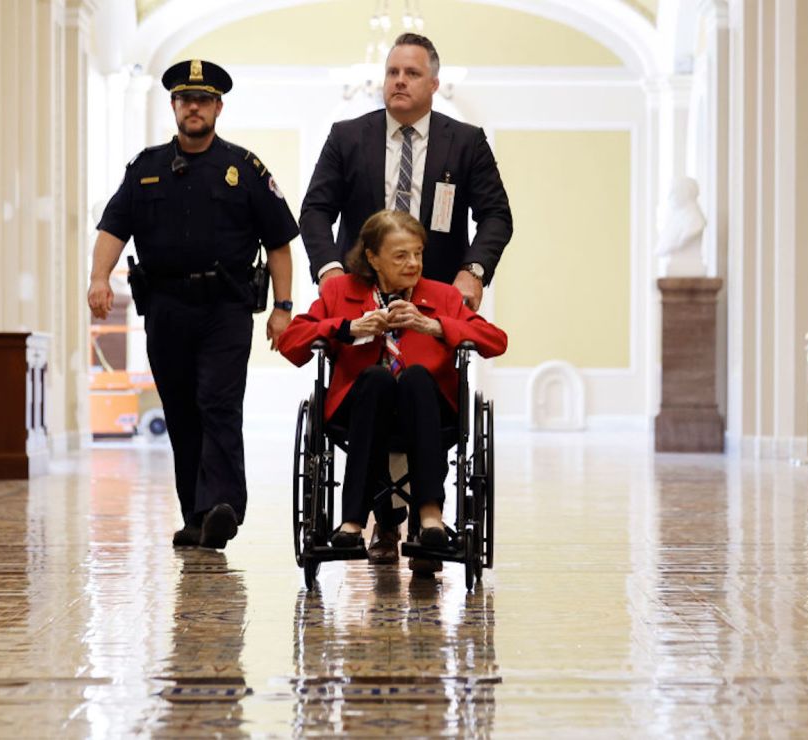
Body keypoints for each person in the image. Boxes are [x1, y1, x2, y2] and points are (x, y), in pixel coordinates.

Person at [300, 31, 512, 564]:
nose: (398, 80)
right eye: (392, 71)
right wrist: (329, 272)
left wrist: (472, 271)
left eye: (411, 73)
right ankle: (383, 524)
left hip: (436, 295)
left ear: (434, 83)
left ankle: (425, 517)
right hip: (362, 294)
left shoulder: (464, 142)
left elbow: (495, 216)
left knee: (417, 384)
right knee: (373, 383)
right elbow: (315, 211)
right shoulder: (348, 137)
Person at [87, 60, 299, 549]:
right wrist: (99, 277)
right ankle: (196, 513)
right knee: (181, 411)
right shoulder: (145, 169)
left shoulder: (245, 168)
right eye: (186, 99)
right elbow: (112, 228)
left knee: (217, 403)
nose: (195, 107)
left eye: (204, 99)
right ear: (174, 107)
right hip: (165, 307)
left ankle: (224, 504)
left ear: (218, 107)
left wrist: (283, 306)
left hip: (225, 307)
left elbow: (281, 242)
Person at [277, 210, 507, 573]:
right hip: (359, 411)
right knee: (377, 379)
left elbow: (496, 341)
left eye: (418, 253)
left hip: (429, 414)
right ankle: (353, 522)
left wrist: (434, 325)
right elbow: (290, 344)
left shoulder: (443, 296)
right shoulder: (340, 292)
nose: (413, 263)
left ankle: (430, 516)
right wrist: (346, 327)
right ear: (372, 257)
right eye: (401, 255)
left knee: (415, 377)